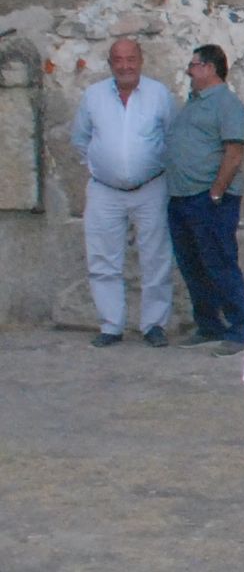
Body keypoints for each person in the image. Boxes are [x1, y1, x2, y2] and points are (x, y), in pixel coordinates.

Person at [71, 37, 175, 348]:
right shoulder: (93, 96)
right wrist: (104, 165)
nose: (125, 65)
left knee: (156, 257)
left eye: (131, 59)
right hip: (105, 190)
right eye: (119, 59)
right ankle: (111, 325)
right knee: (102, 257)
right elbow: (80, 139)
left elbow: (172, 136)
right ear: (110, 63)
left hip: (151, 187)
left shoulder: (160, 95)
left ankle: (154, 325)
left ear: (141, 61)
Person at [166, 44, 244, 356]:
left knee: (220, 263)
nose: (189, 71)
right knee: (192, 265)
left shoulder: (226, 104)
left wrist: (217, 191)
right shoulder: (193, 103)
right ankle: (208, 325)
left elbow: (234, 150)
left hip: (210, 198)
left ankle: (241, 328)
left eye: (194, 65)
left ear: (210, 68)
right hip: (181, 197)